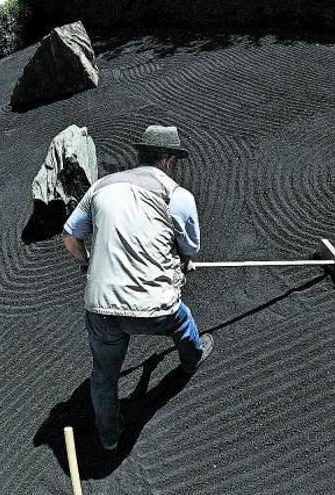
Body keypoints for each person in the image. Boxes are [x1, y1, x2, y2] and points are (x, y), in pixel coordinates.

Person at [62, 125, 214, 450]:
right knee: (183, 322)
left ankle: (109, 434)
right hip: (156, 309)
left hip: (102, 310)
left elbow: (70, 237)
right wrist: (184, 261)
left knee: (103, 375)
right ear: (170, 161)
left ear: (139, 156)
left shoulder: (102, 187)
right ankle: (192, 358)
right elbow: (191, 250)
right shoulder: (178, 197)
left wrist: (86, 262)